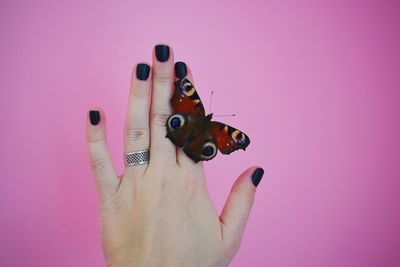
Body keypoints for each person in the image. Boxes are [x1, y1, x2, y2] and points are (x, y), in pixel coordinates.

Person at [86, 44, 264, 267]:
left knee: (181, 123)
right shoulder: (219, 129)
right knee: (195, 136)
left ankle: (185, 133)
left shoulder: (199, 111)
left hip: (184, 126)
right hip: (200, 142)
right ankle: (194, 142)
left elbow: (189, 98)